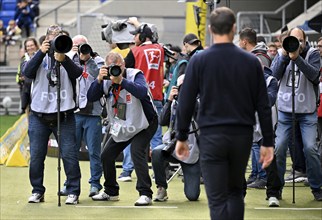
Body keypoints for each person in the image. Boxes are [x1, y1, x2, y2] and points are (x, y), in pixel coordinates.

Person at [174, 7, 274, 220]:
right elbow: (263, 105)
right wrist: (268, 141)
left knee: (217, 197)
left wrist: (181, 135)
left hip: (211, 135)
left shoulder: (199, 61)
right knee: (236, 191)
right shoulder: (250, 62)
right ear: (234, 29)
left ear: (210, 29)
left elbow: (186, 101)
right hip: (241, 135)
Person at [88, 52, 158, 206]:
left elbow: (141, 91)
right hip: (123, 125)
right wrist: (99, 79)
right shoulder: (105, 80)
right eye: (111, 67)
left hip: (145, 123)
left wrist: (122, 81)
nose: (114, 70)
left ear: (123, 64)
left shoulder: (135, 75)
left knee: (137, 152)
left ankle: (145, 193)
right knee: (106, 155)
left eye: (117, 66)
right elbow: (91, 97)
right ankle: (111, 191)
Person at [22, 24, 82, 205]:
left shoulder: (70, 55)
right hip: (39, 115)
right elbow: (27, 73)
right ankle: (37, 190)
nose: (56, 41)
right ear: (46, 39)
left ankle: (73, 191)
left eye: (59, 38)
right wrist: (41, 52)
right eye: (52, 38)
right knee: (37, 156)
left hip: (63, 115)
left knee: (70, 155)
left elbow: (78, 73)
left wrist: (62, 58)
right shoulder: (34, 56)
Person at [271, 27, 322, 201]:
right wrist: (285, 57)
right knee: (279, 148)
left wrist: (298, 58)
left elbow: (315, 76)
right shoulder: (281, 53)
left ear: (305, 42)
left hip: (307, 112)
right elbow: (274, 75)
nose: (297, 43)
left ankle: (316, 187)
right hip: (286, 111)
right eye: (293, 39)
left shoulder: (313, 54)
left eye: (300, 40)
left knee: (310, 149)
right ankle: (276, 189)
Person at [61, 34, 104, 197]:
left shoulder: (97, 61)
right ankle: (70, 184)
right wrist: (72, 56)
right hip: (75, 112)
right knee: (70, 150)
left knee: (94, 151)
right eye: (75, 46)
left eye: (82, 46)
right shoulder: (70, 61)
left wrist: (88, 58)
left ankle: (95, 184)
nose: (79, 49)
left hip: (93, 113)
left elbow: (98, 76)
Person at [152, 74, 201, 202]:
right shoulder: (174, 102)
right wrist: (169, 101)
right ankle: (161, 188)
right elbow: (162, 121)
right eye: (182, 88)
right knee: (157, 152)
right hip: (174, 147)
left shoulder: (200, 101)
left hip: (193, 151)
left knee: (192, 196)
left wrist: (190, 98)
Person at [239, 27, 273, 189]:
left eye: (240, 40)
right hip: (251, 106)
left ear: (245, 41)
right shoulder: (254, 56)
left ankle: (262, 176)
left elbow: (263, 83)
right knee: (254, 142)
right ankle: (256, 174)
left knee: (259, 141)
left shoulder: (259, 58)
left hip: (259, 107)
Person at [125, 21, 164, 154]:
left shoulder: (134, 51)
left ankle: (127, 170)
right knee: (156, 136)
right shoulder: (160, 49)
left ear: (142, 37)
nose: (133, 38)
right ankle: (159, 171)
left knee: (131, 133)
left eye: (136, 35)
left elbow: (124, 71)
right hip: (157, 97)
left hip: (139, 97)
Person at [16, 37, 39, 114]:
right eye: (28, 46)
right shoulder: (24, 59)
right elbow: (22, 71)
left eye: (32, 45)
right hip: (27, 88)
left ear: (36, 46)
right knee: (28, 111)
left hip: (39, 88)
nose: (30, 48)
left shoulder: (41, 56)